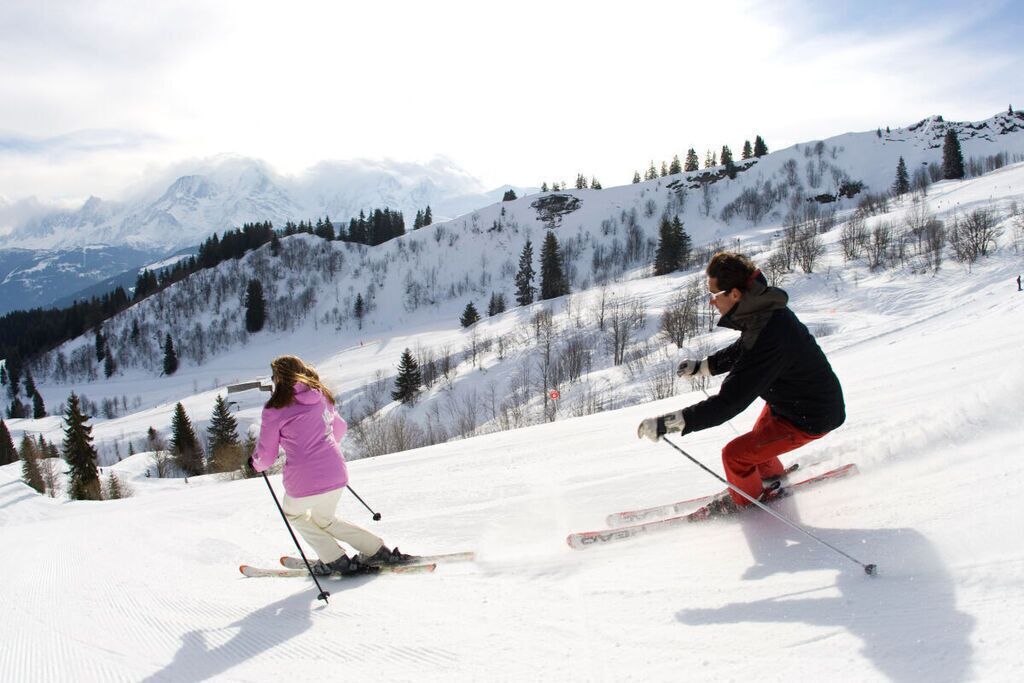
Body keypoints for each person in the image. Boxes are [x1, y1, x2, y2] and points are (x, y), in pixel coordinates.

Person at [637, 252, 845, 514]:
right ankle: (768, 479)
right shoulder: (763, 313)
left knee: (735, 456)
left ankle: (748, 504)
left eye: (714, 294)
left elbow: (728, 404)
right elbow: (744, 348)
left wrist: (668, 423)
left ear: (735, 294)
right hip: (793, 403)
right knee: (757, 445)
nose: (712, 302)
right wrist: (704, 367)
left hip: (810, 416)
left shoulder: (769, 336)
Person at [250, 355, 411, 575]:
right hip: (335, 471)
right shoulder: (320, 395)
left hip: (303, 481)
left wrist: (254, 463)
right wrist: (322, 450)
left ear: (279, 378)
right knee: (325, 520)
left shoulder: (275, 409)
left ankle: (334, 559)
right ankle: (376, 549)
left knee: (293, 514)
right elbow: (340, 427)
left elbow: (266, 457)